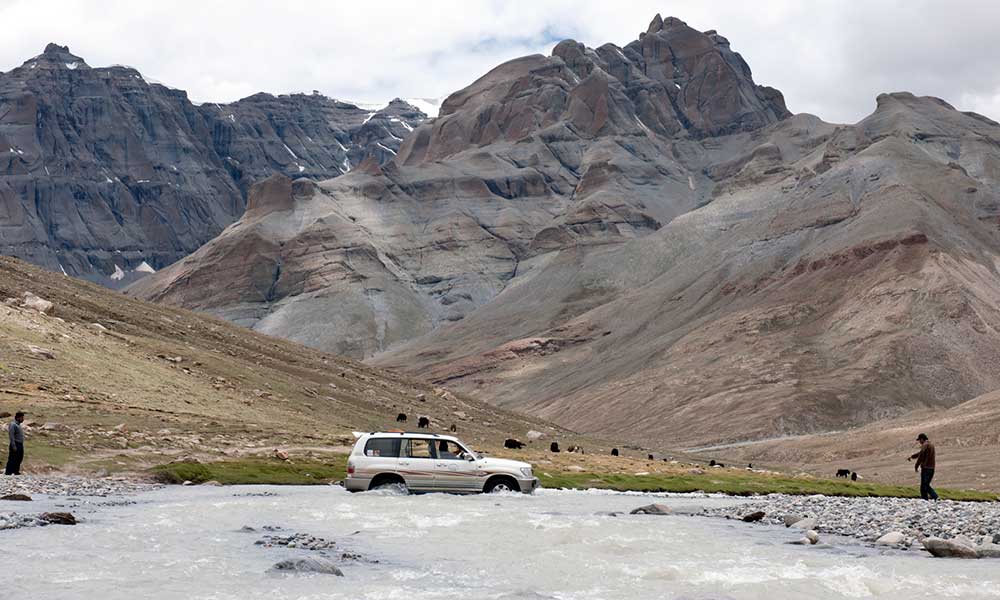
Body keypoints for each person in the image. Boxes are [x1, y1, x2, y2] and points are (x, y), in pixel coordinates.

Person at [908, 433, 938, 500]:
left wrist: (916, 466)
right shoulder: (931, 445)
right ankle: (929, 499)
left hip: (926, 468)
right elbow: (921, 453)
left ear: (922, 439)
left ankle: (933, 497)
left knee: (924, 486)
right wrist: (912, 456)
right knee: (925, 485)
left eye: (919, 440)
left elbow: (921, 456)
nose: (919, 442)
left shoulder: (925, 445)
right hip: (932, 468)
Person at [5, 411, 25, 476]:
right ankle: (8, 472)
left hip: (20, 444)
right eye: (22, 418)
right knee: (12, 458)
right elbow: (11, 436)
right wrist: (13, 445)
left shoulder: (18, 425)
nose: (23, 419)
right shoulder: (13, 425)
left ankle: (16, 471)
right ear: (18, 418)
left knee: (19, 458)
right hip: (15, 443)